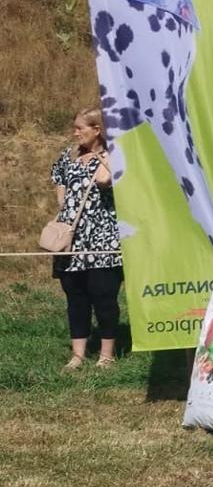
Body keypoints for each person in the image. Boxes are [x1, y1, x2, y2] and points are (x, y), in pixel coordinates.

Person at [51, 107, 123, 370]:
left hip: (102, 241)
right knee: (75, 296)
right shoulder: (67, 155)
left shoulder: (112, 156)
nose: (75, 132)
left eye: (81, 128)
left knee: (104, 297)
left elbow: (105, 181)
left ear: (97, 130)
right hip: (70, 241)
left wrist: (103, 154)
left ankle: (106, 355)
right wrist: (63, 207)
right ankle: (78, 355)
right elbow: (59, 178)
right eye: (75, 127)